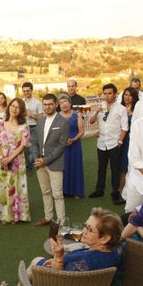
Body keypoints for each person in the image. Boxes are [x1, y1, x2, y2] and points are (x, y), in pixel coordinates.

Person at [0, 208, 123, 286]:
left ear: (105, 238)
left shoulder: (86, 261)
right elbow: (81, 237)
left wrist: (57, 258)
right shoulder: (112, 253)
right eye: (85, 226)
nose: (84, 231)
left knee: (35, 262)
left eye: (89, 229)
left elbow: (58, 281)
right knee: (40, 262)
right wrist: (65, 234)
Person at [0, 98, 31, 224]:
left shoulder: (24, 126)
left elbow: (22, 146)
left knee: (16, 186)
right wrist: (2, 158)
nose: (14, 109)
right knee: (1, 187)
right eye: (12, 106)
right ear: (9, 107)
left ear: (21, 110)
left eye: (17, 107)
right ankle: (2, 215)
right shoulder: (0, 123)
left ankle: (16, 215)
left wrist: (10, 158)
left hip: (17, 160)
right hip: (1, 159)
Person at [30, 94, 69, 226]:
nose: (47, 107)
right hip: (39, 163)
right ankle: (48, 217)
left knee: (57, 194)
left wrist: (45, 160)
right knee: (45, 192)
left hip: (54, 163)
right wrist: (37, 158)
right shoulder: (40, 121)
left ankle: (61, 222)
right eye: (45, 104)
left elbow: (61, 146)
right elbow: (34, 142)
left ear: (56, 105)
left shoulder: (63, 122)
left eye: (50, 104)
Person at [88, 83, 128, 205]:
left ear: (115, 94)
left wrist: (120, 141)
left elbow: (125, 127)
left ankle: (115, 193)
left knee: (115, 169)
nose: (107, 96)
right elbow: (91, 121)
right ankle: (99, 190)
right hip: (101, 143)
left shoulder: (121, 109)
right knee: (101, 168)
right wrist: (96, 111)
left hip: (114, 143)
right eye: (105, 94)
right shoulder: (101, 106)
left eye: (109, 93)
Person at [58, 94, 85, 199]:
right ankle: (65, 191)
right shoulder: (57, 116)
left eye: (65, 102)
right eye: (61, 103)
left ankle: (77, 191)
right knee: (63, 168)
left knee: (75, 166)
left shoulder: (77, 114)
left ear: (69, 103)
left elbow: (82, 131)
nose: (63, 104)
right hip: (62, 145)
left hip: (75, 144)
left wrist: (74, 139)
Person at [119, 87, 140, 192]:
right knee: (119, 164)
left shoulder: (137, 109)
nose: (127, 97)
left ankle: (126, 189)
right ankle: (119, 187)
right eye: (125, 94)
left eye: (130, 95)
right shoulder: (119, 107)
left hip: (130, 140)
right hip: (119, 139)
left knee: (127, 164)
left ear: (134, 97)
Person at [21, 82, 43, 170]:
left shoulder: (37, 103)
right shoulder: (21, 102)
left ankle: (30, 166)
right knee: (22, 146)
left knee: (33, 147)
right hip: (22, 127)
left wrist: (32, 115)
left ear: (31, 90)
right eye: (24, 91)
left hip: (33, 127)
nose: (26, 93)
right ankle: (24, 164)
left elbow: (41, 118)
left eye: (28, 91)